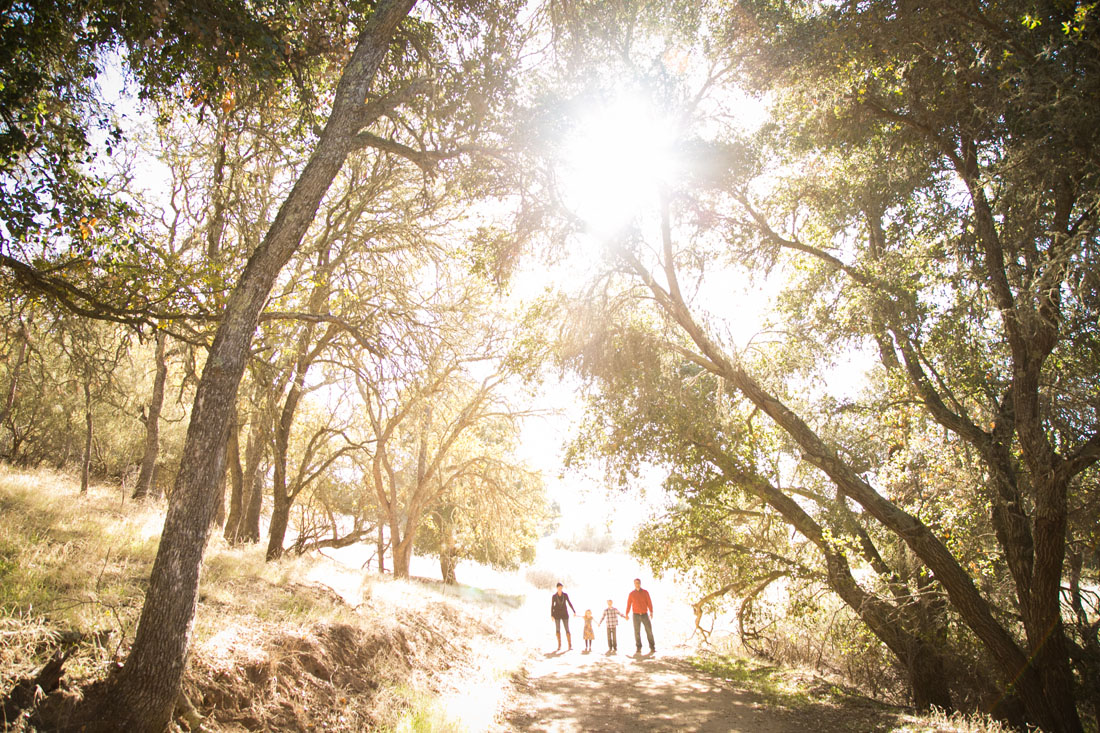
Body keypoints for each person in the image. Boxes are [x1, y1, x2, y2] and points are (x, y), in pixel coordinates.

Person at [625, 577, 655, 653]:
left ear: (640, 583)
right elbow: (628, 604)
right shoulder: (631, 594)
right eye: (635, 583)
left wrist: (651, 612)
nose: (637, 584)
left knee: (649, 631)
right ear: (634, 584)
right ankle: (638, 647)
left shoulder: (645, 592)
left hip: (644, 614)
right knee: (637, 632)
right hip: (636, 615)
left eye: (638, 583)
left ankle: (652, 647)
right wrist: (627, 613)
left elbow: (649, 602)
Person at [550, 582, 576, 651]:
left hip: (564, 614)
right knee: (558, 629)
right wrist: (552, 615)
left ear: (562, 588)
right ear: (557, 588)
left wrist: (574, 611)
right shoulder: (554, 596)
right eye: (559, 587)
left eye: (561, 587)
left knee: (567, 629)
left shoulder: (565, 595)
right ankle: (559, 645)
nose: (560, 589)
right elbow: (552, 606)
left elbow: (569, 603)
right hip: (557, 614)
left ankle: (570, 645)